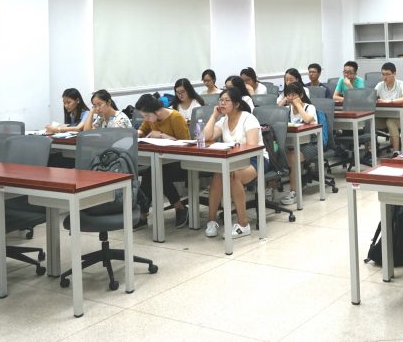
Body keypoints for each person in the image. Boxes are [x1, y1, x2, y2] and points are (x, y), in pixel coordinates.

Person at [202, 87, 266, 239]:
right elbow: (205, 137)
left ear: (236, 104)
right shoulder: (223, 120)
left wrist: (232, 151)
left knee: (233, 176)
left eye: (226, 100)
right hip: (232, 160)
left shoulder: (248, 118)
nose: (222, 103)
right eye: (221, 100)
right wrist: (214, 116)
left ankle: (243, 225)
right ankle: (212, 221)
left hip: (255, 159)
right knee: (218, 175)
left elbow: (252, 146)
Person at [136, 93, 191, 228]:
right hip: (162, 160)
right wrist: (134, 134)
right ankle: (144, 213)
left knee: (155, 173)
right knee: (153, 172)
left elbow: (186, 144)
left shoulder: (176, 117)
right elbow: (142, 130)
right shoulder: (151, 118)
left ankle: (178, 208)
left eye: (147, 116)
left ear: (156, 111)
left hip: (181, 161)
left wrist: (162, 135)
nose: (146, 119)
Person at [280, 82, 318, 207]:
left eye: (294, 95)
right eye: (288, 95)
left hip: (309, 145)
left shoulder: (309, 108)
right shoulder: (286, 110)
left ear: (301, 95)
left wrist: (298, 105)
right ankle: (270, 189)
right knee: (275, 154)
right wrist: (282, 104)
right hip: (290, 144)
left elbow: (307, 119)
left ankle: (294, 191)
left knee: (292, 157)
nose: (291, 97)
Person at [374, 62, 403, 153]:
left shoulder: (401, 84)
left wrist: (390, 101)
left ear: (394, 73)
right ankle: (371, 150)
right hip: (384, 117)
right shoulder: (380, 85)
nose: (385, 77)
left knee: (390, 122)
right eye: (383, 74)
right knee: (369, 121)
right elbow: (371, 98)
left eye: (388, 74)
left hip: (401, 117)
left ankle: (396, 152)